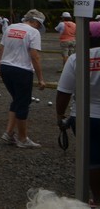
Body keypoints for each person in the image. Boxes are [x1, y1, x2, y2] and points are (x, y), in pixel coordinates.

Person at [56, 16, 100, 202]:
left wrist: (60, 115)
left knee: (92, 161)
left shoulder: (77, 58)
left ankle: (98, 198)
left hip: (85, 117)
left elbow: (64, 92)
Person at [0, 9, 47, 148]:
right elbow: (34, 56)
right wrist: (40, 78)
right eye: (39, 25)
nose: (38, 27)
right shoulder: (33, 32)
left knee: (17, 100)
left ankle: (8, 133)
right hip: (22, 70)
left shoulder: (10, 28)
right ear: (36, 22)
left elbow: (1, 48)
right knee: (23, 104)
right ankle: (23, 138)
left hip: (6, 67)